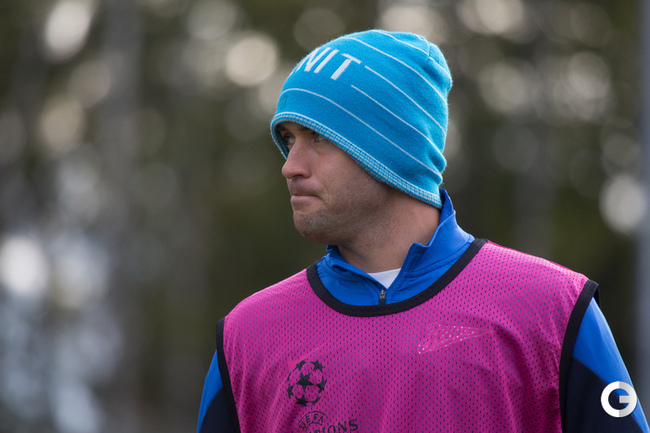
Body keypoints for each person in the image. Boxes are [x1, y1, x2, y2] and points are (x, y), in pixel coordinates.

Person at [197, 29, 649, 432]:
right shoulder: (247, 335)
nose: (290, 166)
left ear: (391, 150)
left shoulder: (552, 307)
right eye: (289, 139)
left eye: (318, 137)